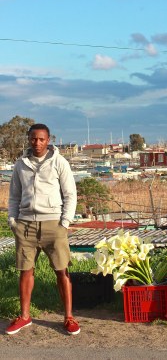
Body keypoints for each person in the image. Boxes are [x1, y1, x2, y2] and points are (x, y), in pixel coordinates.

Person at [6, 123, 80, 336]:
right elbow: (14, 196)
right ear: (28, 139)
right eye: (33, 139)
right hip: (26, 225)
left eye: (41, 139)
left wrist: (64, 222)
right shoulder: (21, 164)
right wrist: (13, 221)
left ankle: (68, 317)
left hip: (53, 225)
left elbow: (70, 194)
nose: (37, 143)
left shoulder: (59, 162)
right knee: (25, 271)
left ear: (48, 140)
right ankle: (25, 316)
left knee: (62, 271)